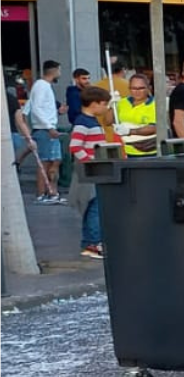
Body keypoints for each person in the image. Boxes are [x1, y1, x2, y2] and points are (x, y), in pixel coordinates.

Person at [66, 85, 121, 259]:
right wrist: (90, 162)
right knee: (94, 207)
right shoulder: (83, 123)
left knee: (93, 206)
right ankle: (94, 242)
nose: (106, 108)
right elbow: (75, 146)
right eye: (104, 104)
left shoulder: (89, 121)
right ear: (94, 104)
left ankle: (90, 241)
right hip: (91, 170)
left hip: (93, 169)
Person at [27, 60, 63, 201]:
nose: (60, 73)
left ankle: (52, 192)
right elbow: (37, 108)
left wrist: (57, 112)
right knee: (45, 162)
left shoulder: (44, 86)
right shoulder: (42, 86)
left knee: (55, 160)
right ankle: (42, 193)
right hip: (45, 130)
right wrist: (48, 126)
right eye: (59, 70)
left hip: (48, 128)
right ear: (54, 71)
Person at [114, 73, 159, 157]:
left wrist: (130, 131)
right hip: (125, 151)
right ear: (129, 89)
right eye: (133, 88)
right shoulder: (122, 103)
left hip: (149, 152)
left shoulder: (155, 104)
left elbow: (154, 128)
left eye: (141, 88)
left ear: (148, 88)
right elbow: (108, 121)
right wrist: (111, 105)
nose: (137, 91)